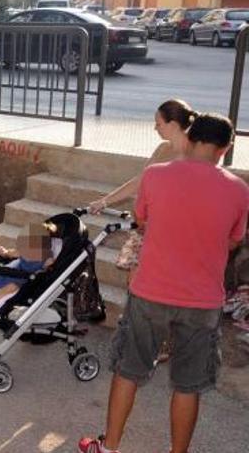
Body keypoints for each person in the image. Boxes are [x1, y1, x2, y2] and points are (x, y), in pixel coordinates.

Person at [78, 113, 249, 453]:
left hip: (151, 291)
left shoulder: (155, 176)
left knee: (129, 369)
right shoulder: (239, 190)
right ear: (226, 148)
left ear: (189, 139)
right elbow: (233, 240)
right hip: (202, 301)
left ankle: (108, 447)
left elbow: (142, 221)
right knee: (189, 384)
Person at [88, 99, 196, 276]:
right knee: (135, 276)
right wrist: (104, 201)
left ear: (174, 124)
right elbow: (140, 180)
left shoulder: (193, 155)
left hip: (171, 228)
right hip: (148, 223)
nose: (155, 128)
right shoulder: (162, 148)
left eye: (158, 124)